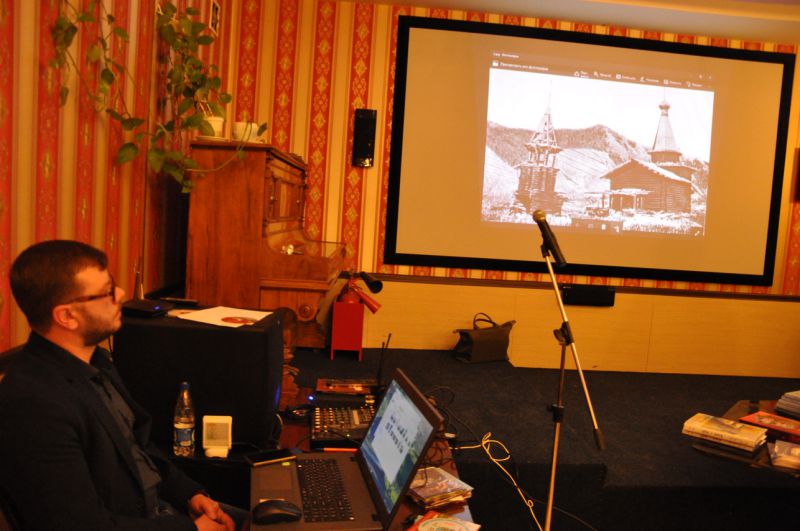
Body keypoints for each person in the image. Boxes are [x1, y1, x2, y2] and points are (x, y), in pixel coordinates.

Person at [0, 240, 242, 531]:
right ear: (66, 316)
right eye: (107, 291)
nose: (121, 294)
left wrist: (190, 494)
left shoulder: (98, 360)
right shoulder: (34, 403)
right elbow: (80, 526)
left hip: (161, 509)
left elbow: (140, 448)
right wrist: (192, 529)